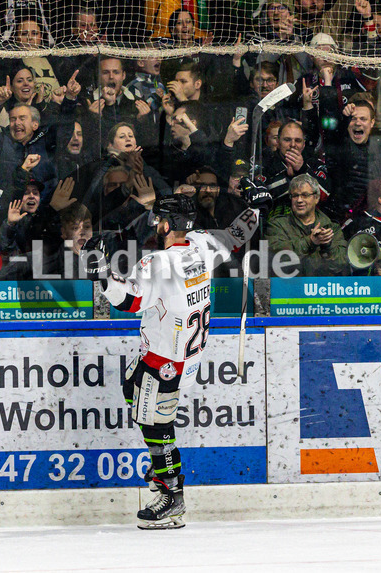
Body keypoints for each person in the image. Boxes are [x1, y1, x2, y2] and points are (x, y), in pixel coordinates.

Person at [81, 180, 271, 529]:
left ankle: (171, 495)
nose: (156, 224)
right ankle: (163, 469)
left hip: (165, 359)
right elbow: (237, 233)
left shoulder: (159, 262)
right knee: (131, 389)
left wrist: (102, 275)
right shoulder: (201, 244)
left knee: (157, 426)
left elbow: (129, 302)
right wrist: (255, 205)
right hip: (186, 355)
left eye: (159, 220)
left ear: (166, 224)